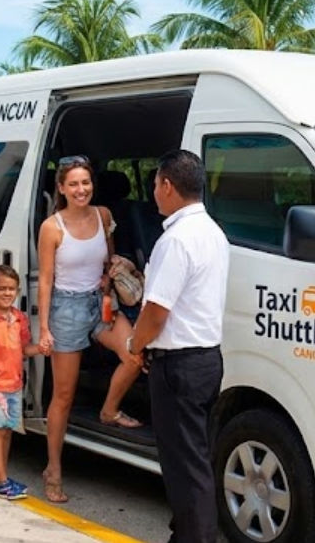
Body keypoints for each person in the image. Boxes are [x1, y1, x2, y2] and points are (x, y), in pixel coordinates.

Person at [123, 151, 229, 543]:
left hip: (180, 366)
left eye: (154, 185)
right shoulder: (213, 232)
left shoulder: (176, 239)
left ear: (167, 185)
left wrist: (136, 344)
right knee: (195, 458)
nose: (153, 194)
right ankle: (185, 532)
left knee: (184, 466)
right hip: (205, 359)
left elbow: (156, 311)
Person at [35, 155, 140, 504]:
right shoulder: (52, 227)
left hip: (100, 302)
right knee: (63, 396)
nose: (81, 190)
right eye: (74, 184)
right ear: (62, 188)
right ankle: (53, 469)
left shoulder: (104, 215)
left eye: (86, 183)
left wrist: (110, 287)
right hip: (66, 307)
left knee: (134, 354)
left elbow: (108, 260)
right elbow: (46, 280)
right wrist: (45, 328)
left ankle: (108, 410)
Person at [0, 264, 42, 501]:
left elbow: (23, 350)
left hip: (14, 384)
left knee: (7, 432)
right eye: (2, 289)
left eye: (12, 289)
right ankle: (1, 480)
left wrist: (40, 348)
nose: (7, 293)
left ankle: (0, 478)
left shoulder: (19, 318)